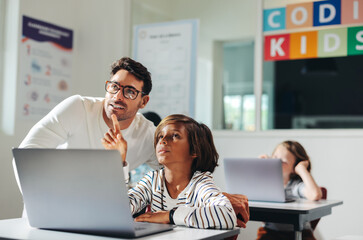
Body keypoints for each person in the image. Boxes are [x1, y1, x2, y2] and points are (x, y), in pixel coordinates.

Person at [102, 114, 236, 229]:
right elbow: (116, 209)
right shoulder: (152, 180)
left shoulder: (200, 183)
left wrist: (169, 215)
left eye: (175, 136)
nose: (163, 141)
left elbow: (227, 215)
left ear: (194, 150)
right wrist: (118, 162)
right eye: (160, 136)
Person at [257, 140, 323, 240]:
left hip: (299, 233)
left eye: (283, 162)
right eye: (274, 158)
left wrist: (302, 170)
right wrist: (259, 167)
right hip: (270, 233)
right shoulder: (266, 183)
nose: (276, 163)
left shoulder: (295, 186)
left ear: (294, 169)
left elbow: (315, 194)